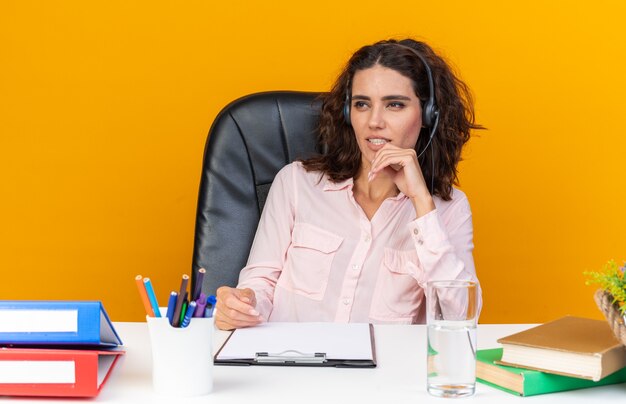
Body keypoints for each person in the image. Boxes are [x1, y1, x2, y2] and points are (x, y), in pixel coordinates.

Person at [215, 38, 483, 330]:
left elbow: (461, 320)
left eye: (394, 105)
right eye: (362, 104)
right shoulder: (295, 183)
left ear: (428, 115)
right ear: (347, 113)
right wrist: (244, 303)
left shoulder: (448, 209)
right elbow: (260, 284)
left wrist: (421, 202)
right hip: (291, 368)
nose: (374, 121)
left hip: (385, 373)